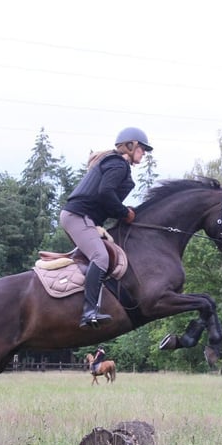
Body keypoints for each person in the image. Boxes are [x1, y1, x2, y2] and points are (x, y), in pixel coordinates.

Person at [60, 127, 153, 328]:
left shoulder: (115, 163)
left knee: (104, 255)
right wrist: (124, 212)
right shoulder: (119, 164)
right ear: (131, 145)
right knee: (100, 257)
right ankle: (89, 312)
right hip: (79, 216)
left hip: (83, 217)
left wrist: (123, 211)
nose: (143, 153)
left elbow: (104, 198)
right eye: (142, 148)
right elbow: (105, 193)